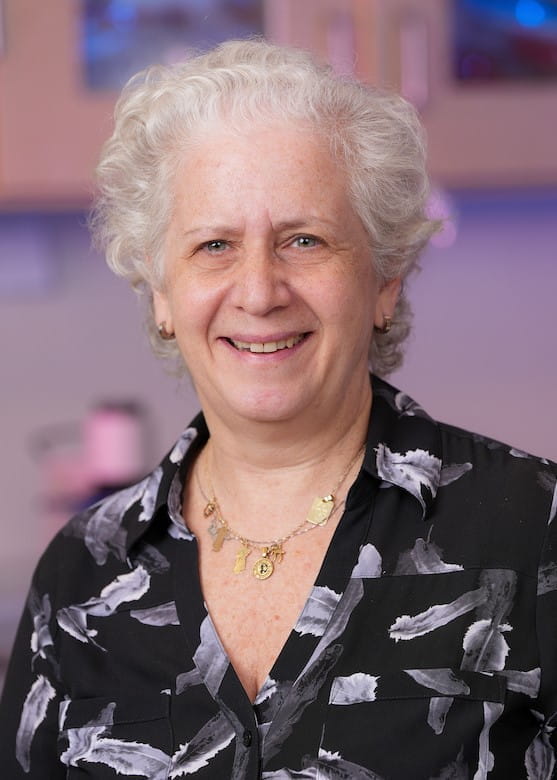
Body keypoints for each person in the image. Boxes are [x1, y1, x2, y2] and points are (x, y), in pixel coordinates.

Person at [0, 39, 556, 780]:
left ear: (384, 280)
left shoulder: (533, 527)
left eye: (304, 239)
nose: (259, 291)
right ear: (162, 293)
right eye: (214, 245)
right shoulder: (85, 569)